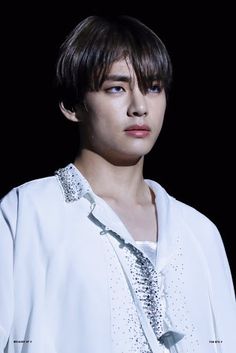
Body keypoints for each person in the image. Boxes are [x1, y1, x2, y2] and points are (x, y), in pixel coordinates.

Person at [0, 15, 235, 353]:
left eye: (153, 87)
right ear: (72, 104)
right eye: (116, 88)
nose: (140, 107)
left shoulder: (201, 233)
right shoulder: (27, 212)